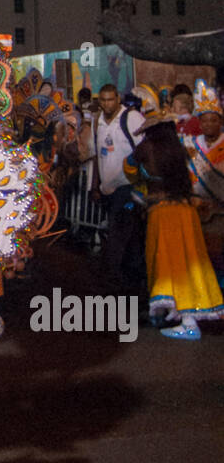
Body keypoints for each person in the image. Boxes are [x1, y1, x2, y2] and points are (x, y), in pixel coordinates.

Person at [126, 105, 223, 338]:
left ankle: (188, 322)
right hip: (186, 211)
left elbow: (128, 168)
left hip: (163, 214)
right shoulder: (180, 149)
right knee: (192, 262)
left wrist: (141, 184)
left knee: (170, 266)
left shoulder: (146, 147)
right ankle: (181, 314)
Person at [90, 82, 145, 288]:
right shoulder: (99, 122)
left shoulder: (131, 119)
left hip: (128, 189)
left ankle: (122, 282)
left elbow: (144, 150)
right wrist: (95, 185)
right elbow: (97, 155)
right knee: (128, 239)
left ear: (118, 99)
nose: (107, 103)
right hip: (108, 191)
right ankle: (132, 282)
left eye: (111, 99)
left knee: (120, 237)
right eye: (103, 100)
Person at [183, 80, 224, 281]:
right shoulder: (191, 146)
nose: (208, 124)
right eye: (204, 121)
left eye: (213, 120)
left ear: (220, 122)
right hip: (195, 210)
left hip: (220, 213)